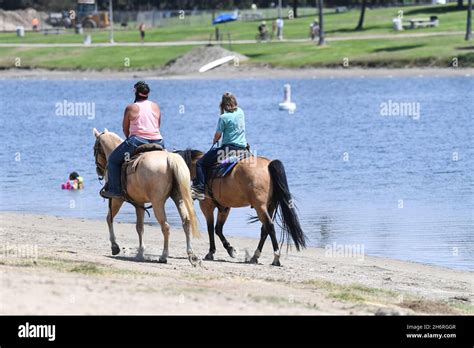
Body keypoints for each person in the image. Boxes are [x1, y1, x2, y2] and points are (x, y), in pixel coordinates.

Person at [100, 81, 165, 199]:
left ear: (135, 93)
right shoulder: (155, 106)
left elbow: (125, 129)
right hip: (158, 141)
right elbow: (158, 126)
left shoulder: (131, 107)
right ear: (147, 93)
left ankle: (115, 190)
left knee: (113, 160)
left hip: (138, 141)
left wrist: (129, 140)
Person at [191, 92, 247, 201]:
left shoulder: (223, 117)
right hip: (243, 148)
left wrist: (214, 140)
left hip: (228, 149)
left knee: (200, 163)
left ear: (223, 104)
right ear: (234, 101)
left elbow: (218, 135)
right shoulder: (241, 112)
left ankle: (199, 189)